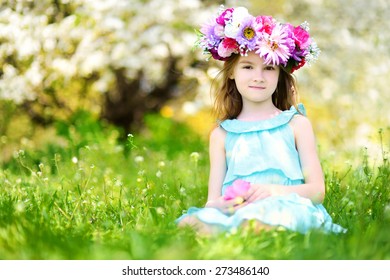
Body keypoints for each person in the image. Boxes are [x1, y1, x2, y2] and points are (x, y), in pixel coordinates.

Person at [176, 6, 346, 234]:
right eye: (248, 67)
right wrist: (225, 204)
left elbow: (317, 191)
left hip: (287, 205)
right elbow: (212, 201)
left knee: (269, 219)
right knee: (190, 222)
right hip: (239, 209)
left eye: (269, 68)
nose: (258, 77)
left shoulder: (296, 125)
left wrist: (273, 191)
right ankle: (236, 229)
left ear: (279, 75)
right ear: (232, 72)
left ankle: (246, 230)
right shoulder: (222, 135)